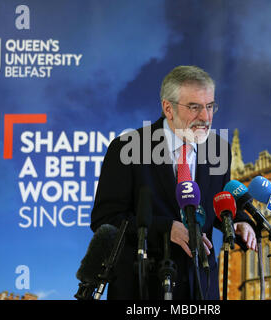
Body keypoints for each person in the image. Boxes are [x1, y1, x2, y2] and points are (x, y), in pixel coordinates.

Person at [90, 65, 257, 300]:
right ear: (168, 108)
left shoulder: (218, 148)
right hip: (144, 290)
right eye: (194, 107)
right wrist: (166, 228)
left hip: (201, 289)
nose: (206, 117)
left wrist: (239, 222)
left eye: (210, 106)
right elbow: (105, 220)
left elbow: (218, 203)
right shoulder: (126, 148)